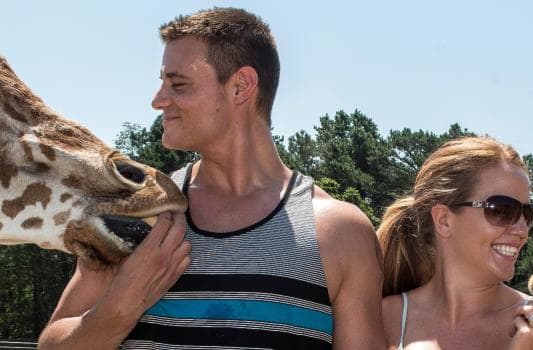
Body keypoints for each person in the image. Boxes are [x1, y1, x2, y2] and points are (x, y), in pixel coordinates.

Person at [38, 7, 385, 349]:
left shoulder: (342, 233)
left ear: (240, 87)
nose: (158, 101)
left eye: (178, 84)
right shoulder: (136, 212)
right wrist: (119, 307)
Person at [377, 136, 533, 350]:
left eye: (527, 214)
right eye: (502, 210)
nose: (522, 230)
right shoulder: (384, 319)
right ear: (444, 220)